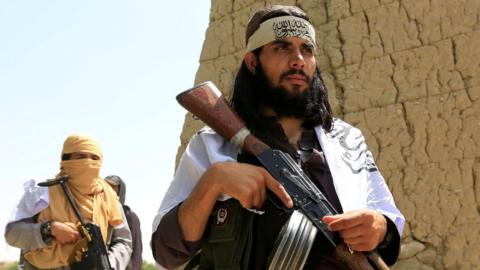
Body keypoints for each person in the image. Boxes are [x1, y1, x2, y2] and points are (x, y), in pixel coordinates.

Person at [151, 5, 405, 269]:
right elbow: (166, 253)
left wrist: (379, 227)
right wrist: (214, 181)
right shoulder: (212, 144)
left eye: (307, 49)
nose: (298, 60)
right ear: (252, 62)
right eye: (281, 47)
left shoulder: (347, 140)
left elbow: (387, 216)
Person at [5, 134, 132, 270]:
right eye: (80, 157)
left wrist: (107, 263)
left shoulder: (109, 198)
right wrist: (49, 229)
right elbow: (12, 233)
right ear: (66, 159)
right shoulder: (42, 192)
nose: (88, 163)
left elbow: (123, 241)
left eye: (94, 158)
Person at [105, 175, 143, 270]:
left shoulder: (130, 216)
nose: (109, 192)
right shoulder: (100, 212)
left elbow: (136, 250)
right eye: (106, 187)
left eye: (113, 188)